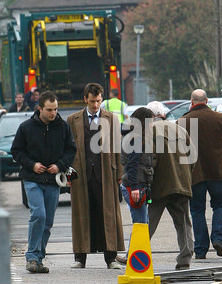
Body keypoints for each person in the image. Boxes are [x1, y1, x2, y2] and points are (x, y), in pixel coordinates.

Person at [11, 91, 76, 273]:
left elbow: (71, 150)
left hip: (53, 181)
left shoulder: (63, 127)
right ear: (40, 108)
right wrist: (32, 165)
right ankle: (31, 256)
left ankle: (38, 258)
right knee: (38, 214)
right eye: (49, 109)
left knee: (47, 222)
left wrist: (59, 165)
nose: (53, 113)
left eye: (55, 109)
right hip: (32, 179)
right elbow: (16, 151)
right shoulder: (26, 127)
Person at [67, 82, 125, 269]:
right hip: (81, 174)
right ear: (85, 99)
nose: (95, 105)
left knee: (108, 214)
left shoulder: (112, 118)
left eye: (98, 101)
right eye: (92, 101)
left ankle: (110, 258)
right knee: (81, 214)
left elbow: (118, 147)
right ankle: (80, 258)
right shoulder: (73, 119)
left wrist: (119, 173)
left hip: (106, 173)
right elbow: (68, 149)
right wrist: (68, 172)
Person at [177, 89, 222, 259]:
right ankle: (218, 238)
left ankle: (201, 249)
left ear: (192, 101)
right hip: (217, 172)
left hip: (194, 174)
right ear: (207, 100)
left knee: (197, 210)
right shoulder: (218, 118)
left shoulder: (183, 121)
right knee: (219, 205)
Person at [147, 101, 195, 270]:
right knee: (183, 222)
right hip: (181, 184)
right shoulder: (180, 130)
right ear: (163, 114)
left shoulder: (150, 131)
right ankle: (185, 258)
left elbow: (150, 160)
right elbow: (192, 157)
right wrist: (186, 176)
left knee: (148, 221)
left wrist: (147, 183)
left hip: (160, 185)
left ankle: (135, 253)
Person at [119, 107, 155, 264]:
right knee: (140, 224)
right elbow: (132, 165)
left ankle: (132, 256)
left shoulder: (136, 137)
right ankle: (133, 258)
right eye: (151, 121)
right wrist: (134, 187)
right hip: (135, 186)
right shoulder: (136, 139)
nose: (153, 124)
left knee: (142, 222)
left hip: (140, 185)